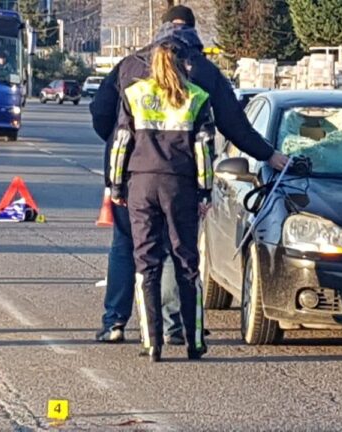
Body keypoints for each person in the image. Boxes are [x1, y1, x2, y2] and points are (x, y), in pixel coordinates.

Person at [89, 7, 287, 345]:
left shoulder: (131, 65)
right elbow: (235, 125)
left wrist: (121, 151)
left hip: (131, 174)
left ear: (162, 28)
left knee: (126, 245)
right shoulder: (205, 71)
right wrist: (270, 155)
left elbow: (100, 114)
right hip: (182, 176)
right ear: (193, 32)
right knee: (171, 248)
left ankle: (115, 323)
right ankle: (174, 325)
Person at [109, 39, 213, 362]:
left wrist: (115, 186)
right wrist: (205, 191)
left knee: (146, 263)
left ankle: (151, 342)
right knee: (186, 263)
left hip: (140, 184)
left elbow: (121, 141)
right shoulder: (196, 98)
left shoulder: (135, 95)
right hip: (179, 185)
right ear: (184, 65)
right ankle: (194, 340)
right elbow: (204, 150)